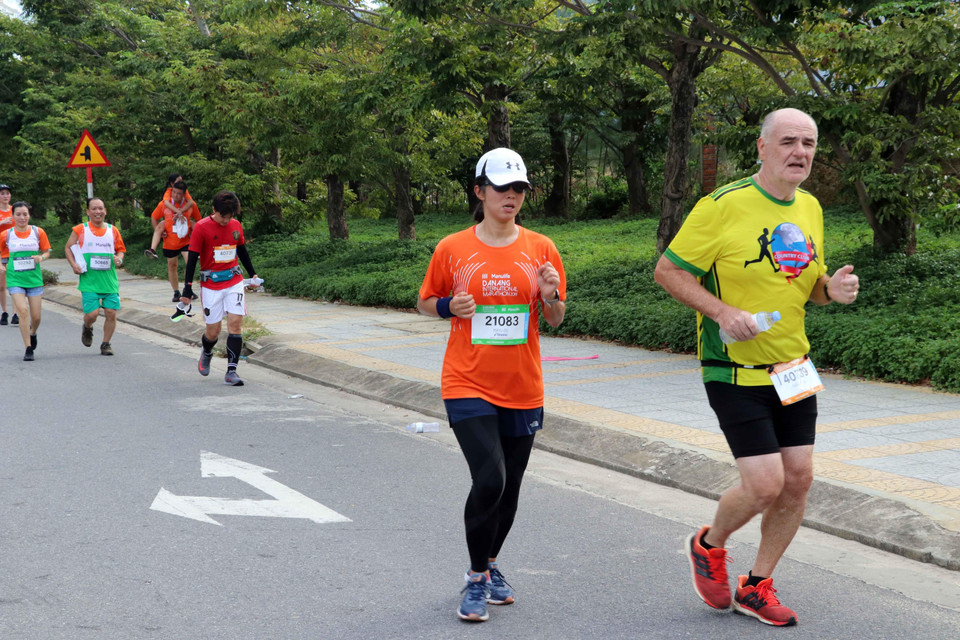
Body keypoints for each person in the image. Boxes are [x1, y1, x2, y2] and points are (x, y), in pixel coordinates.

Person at [654, 108, 859, 627]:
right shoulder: (721, 206)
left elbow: (805, 282)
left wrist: (829, 291)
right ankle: (709, 543)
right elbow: (669, 271)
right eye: (788, 141)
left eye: (809, 143)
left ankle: (757, 584)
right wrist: (722, 312)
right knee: (765, 484)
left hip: (793, 368)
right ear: (762, 148)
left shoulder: (810, 207)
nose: (800, 152)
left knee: (798, 481)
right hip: (734, 369)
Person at [417, 148, 566, 623]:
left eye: (519, 189)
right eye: (502, 188)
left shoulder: (541, 248)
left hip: (523, 385)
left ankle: (493, 563)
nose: (511, 197)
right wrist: (447, 309)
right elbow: (425, 301)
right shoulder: (452, 248)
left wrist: (550, 296)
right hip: (466, 381)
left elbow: (557, 317)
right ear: (479, 191)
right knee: (490, 479)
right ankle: (477, 578)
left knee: (511, 487)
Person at [180, 190, 259, 386]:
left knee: (235, 324)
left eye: (230, 216)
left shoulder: (235, 225)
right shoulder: (201, 227)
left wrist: (253, 273)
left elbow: (241, 249)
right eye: (223, 216)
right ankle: (207, 350)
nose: (226, 220)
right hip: (211, 285)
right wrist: (187, 288)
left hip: (234, 281)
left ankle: (231, 371)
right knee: (213, 332)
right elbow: (192, 259)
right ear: (214, 210)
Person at [64, 197, 127, 356]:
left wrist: (119, 259)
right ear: (88, 212)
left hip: (109, 281)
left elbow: (120, 250)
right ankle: (87, 326)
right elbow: (68, 247)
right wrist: (74, 265)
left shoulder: (113, 230)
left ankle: (106, 344)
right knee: (92, 314)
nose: (98, 212)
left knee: (111, 313)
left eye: (100, 208)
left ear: (105, 211)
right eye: (94, 209)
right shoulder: (80, 229)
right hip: (89, 281)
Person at [0, 201, 50, 360]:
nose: (22, 217)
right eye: (18, 214)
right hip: (15, 279)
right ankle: (28, 348)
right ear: (13, 216)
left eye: (25, 214)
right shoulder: (6, 234)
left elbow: (47, 251)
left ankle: (33, 332)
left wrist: (40, 257)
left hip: (34, 279)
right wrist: (1, 265)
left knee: (36, 317)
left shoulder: (38, 232)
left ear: (29, 215)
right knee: (22, 311)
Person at [145, 178, 202, 303]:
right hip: (170, 241)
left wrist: (192, 226)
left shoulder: (190, 205)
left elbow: (199, 221)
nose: (176, 195)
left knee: (190, 263)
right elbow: (154, 217)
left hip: (186, 240)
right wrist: (160, 231)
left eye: (179, 193)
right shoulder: (164, 204)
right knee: (172, 265)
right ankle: (176, 292)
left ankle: (188, 288)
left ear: (184, 194)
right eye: (174, 192)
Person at [0, 183, 15, 325]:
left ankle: (16, 313)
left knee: (14, 284)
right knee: (2, 285)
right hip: (0, 251)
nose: (5, 196)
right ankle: (4, 311)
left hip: (14, 251)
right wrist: (2, 222)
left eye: (7, 193)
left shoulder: (14, 210)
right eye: (2, 193)